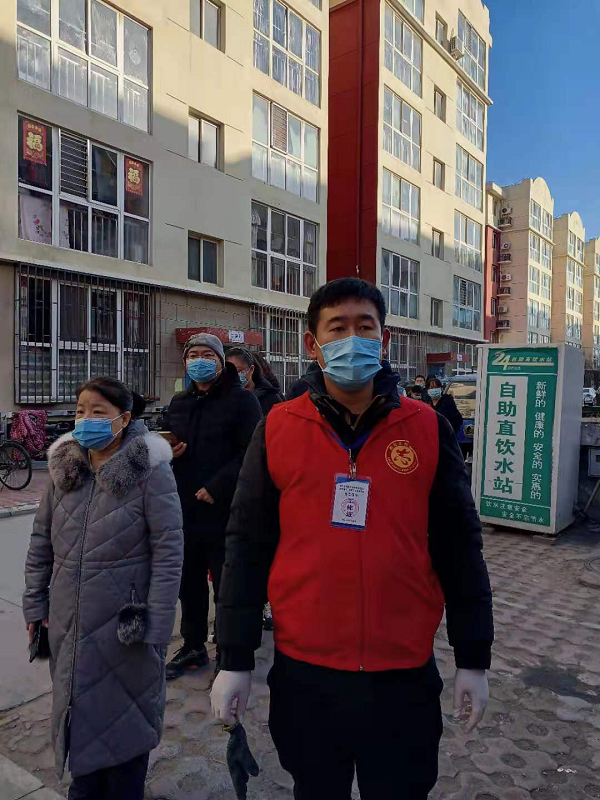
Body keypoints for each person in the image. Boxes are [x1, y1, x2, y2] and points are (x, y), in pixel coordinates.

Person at [212, 277, 493, 799]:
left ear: (383, 340)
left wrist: (473, 655)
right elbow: (246, 547)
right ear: (312, 344)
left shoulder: (427, 427)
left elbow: (459, 547)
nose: (352, 339)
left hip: (403, 674)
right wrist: (234, 658)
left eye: (365, 327)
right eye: (337, 328)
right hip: (307, 675)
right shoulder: (277, 427)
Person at [23, 378, 183, 800]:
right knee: (77, 718)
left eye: (98, 411)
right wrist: (35, 604)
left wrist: (156, 627)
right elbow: (40, 543)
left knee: (125, 732)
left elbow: (169, 552)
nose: (86, 420)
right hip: (66, 622)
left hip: (125, 631)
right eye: (80, 411)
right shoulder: (65, 469)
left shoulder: (149, 470)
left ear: (124, 419)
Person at [162, 333, 262, 679]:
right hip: (184, 508)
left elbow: (252, 453)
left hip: (225, 510)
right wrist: (167, 450)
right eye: (193, 355)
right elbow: (166, 439)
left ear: (221, 362)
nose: (199, 361)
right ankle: (192, 646)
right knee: (188, 584)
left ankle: (227, 651)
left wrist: (217, 487)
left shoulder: (242, 401)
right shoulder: (179, 402)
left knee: (226, 585)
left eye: (208, 355)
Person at [226, 348, 284, 415]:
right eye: (229, 371)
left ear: (251, 369)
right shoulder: (222, 397)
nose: (234, 375)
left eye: (239, 371)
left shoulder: (270, 397)